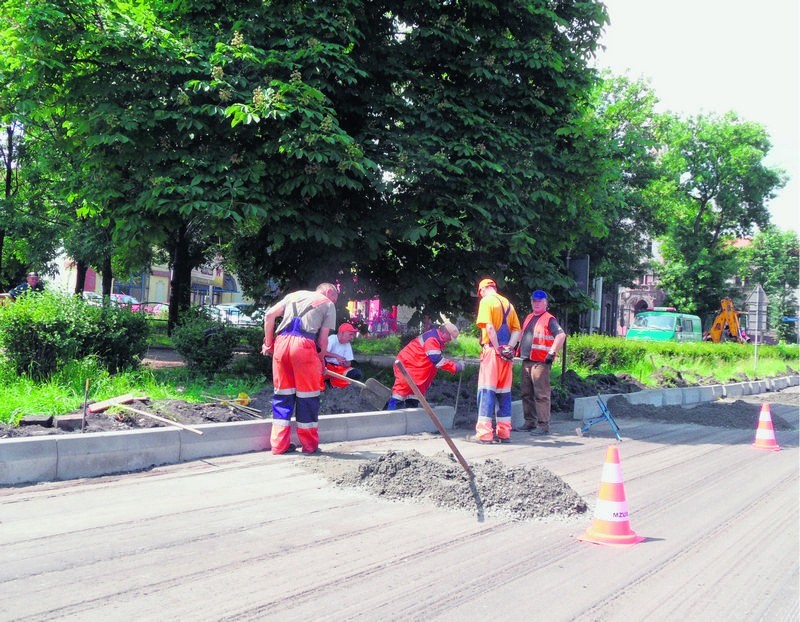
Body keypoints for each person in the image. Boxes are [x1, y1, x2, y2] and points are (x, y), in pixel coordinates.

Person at [261, 282, 338, 455]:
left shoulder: (293, 295)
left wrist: (268, 344)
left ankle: (279, 446)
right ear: (328, 292)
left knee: (282, 396)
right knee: (307, 397)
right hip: (304, 347)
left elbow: (269, 316)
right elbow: (323, 341)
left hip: (281, 344)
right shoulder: (328, 304)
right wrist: (321, 362)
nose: (334, 302)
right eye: (335, 298)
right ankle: (309, 446)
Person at [467, 278, 521, 444]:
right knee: (504, 394)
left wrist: (497, 348)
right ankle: (504, 433)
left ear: (483, 290)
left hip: (492, 352)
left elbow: (489, 327)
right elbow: (517, 330)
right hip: (507, 357)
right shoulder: (508, 304)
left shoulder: (486, 302)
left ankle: (484, 434)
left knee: (486, 391)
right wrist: (509, 349)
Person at [517, 289, 566, 435]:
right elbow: (522, 335)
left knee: (541, 395)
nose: (536, 304)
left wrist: (552, 352)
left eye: (539, 301)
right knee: (526, 393)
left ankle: (543, 425)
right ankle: (530, 422)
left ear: (545, 303)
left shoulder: (549, 319)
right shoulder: (529, 317)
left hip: (540, 362)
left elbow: (561, 335)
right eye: (534, 301)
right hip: (527, 361)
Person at [388, 322, 463, 410]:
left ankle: (408, 418)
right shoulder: (432, 339)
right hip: (408, 367)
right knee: (400, 394)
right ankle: (391, 416)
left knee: (413, 396)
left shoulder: (435, 338)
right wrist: (455, 367)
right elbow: (436, 360)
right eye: (449, 338)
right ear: (444, 333)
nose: (449, 341)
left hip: (414, 368)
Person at [324, 322, 363, 388]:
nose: (352, 337)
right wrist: (336, 356)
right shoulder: (332, 339)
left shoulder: (347, 343)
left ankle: (332, 383)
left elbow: (349, 361)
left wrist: (347, 363)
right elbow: (322, 352)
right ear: (342, 333)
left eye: (353, 335)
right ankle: (328, 382)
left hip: (339, 369)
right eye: (350, 334)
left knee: (356, 373)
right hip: (327, 367)